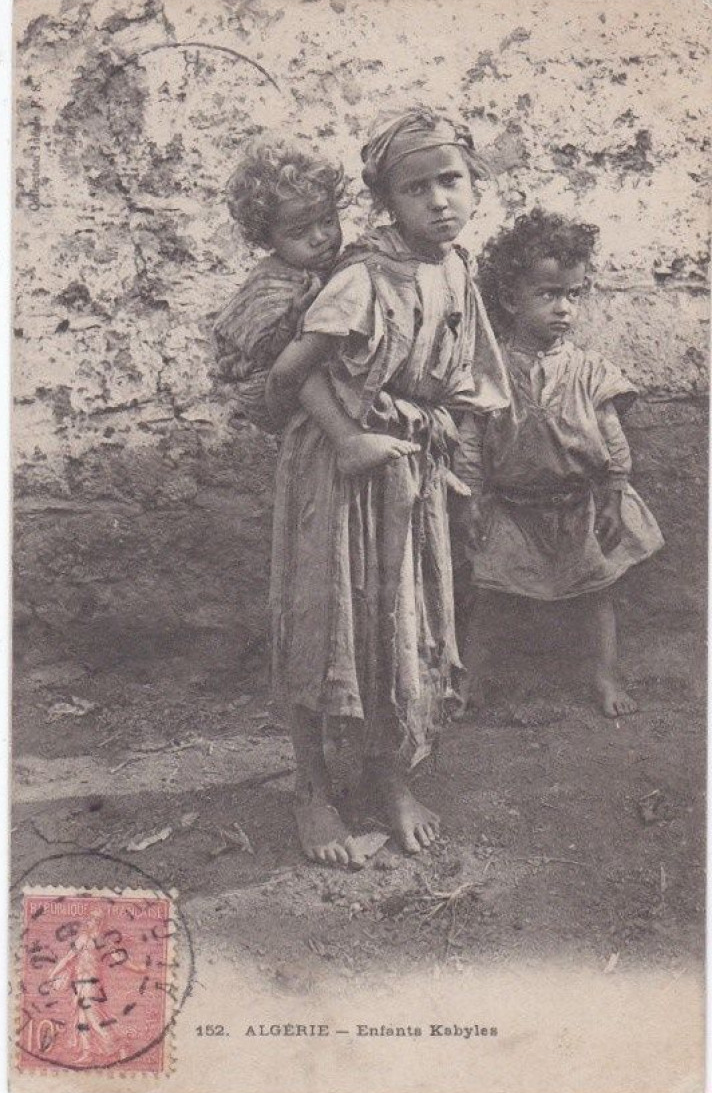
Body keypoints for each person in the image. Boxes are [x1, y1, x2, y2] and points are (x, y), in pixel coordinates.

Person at [265, 106, 510, 868]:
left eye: (451, 180)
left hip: (412, 470)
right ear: (387, 202)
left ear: (476, 185)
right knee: (328, 619)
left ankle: (387, 774)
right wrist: (348, 435)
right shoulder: (361, 277)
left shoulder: (459, 269)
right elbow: (286, 379)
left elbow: (470, 379)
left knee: (403, 623)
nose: (439, 200)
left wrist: (457, 466)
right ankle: (310, 787)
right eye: (416, 189)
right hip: (337, 476)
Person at [452, 207, 664, 720]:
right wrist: (472, 500)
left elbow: (612, 440)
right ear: (509, 299)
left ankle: (604, 675)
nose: (563, 308)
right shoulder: (490, 369)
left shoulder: (590, 371)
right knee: (492, 596)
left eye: (573, 295)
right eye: (548, 295)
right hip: (512, 510)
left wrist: (613, 495)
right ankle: (469, 683)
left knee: (597, 593)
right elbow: (470, 440)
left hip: (578, 507)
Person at [212, 136, 344, 429]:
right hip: (265, 382)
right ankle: (347, 437)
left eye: (327, 221)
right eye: (299, 232)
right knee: (302, 366)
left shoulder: (331, 266)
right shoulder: (270, 283)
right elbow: (264, 351)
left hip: (309, 375)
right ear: (267, 236)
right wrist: (295, 314)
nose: (320, 237)